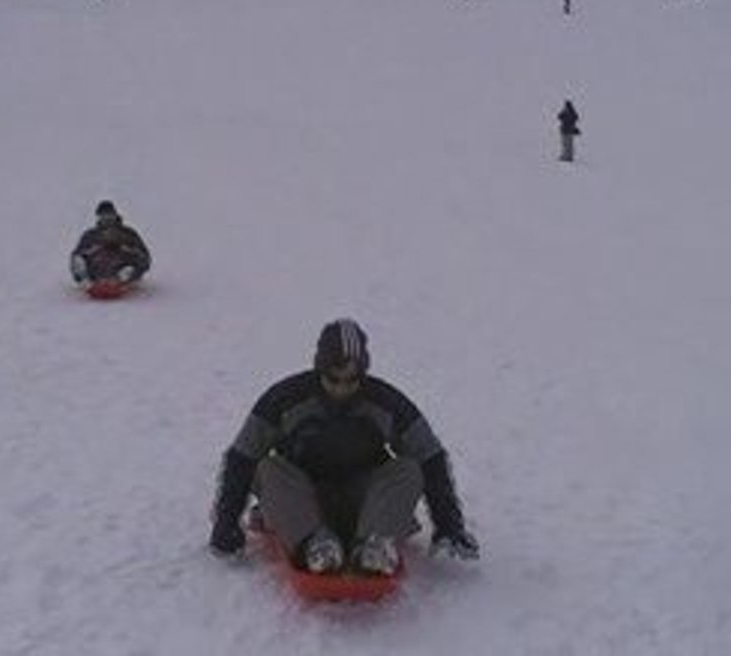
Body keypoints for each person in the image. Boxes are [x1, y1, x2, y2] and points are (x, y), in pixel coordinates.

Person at [209, 319, 479, 575]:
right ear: (320, 370)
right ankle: (314, 544)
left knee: (408, 469)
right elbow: (242, 457)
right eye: (333, 379)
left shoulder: (387, 403)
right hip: (302, 503)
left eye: (351, 381)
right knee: (267, 468)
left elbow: (430, 457)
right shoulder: (283, 399)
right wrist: (227, 523)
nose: (341, 389)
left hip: (366, 506)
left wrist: (449, 526)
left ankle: (374, 546)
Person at [70, 200, 151, 287]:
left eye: (109, 215)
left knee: (132, 265)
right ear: (99, 218)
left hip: (121, 271)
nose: (107, 219)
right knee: (78, 260)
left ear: (115, 215)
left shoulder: (128, 233)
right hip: (96, 274)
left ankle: (122, 278)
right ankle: (86, 281)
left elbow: (145, 256)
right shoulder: (90, 235)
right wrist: (94, 249)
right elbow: (78, 254)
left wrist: (126, 249)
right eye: (103, 216)